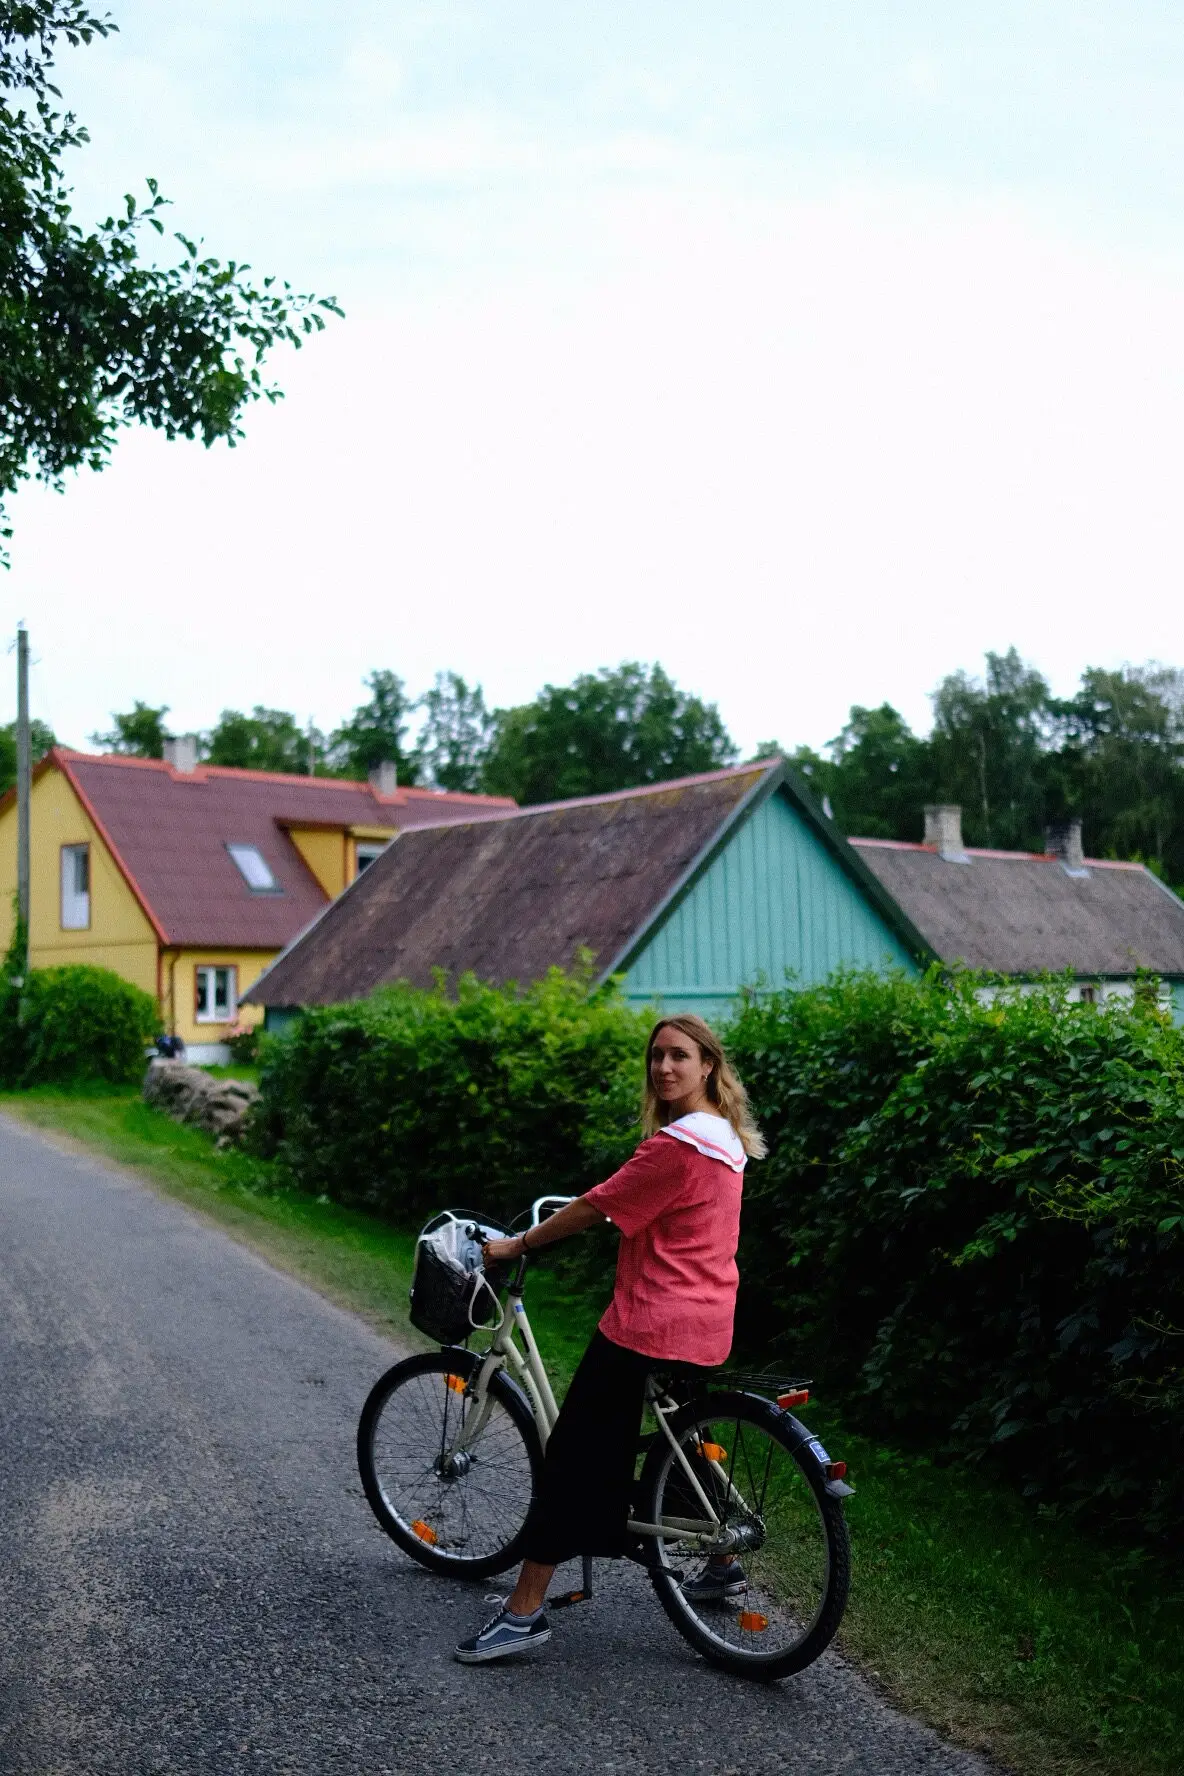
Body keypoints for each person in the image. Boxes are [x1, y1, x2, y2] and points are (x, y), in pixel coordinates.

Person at [454, 1012, 766, 1664]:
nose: (664, 1067)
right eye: (656, 1056)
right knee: (679, 1437)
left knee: (572, 1456)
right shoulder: (726, 1140)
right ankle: (720, 1562)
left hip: (652, 1323)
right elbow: (635, 1202)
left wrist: (516, 1244)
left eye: (679, 1055)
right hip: (709, 1321)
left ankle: (524, 1612)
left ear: (708, 1065)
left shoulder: (678, 1147)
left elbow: (599, 1206)